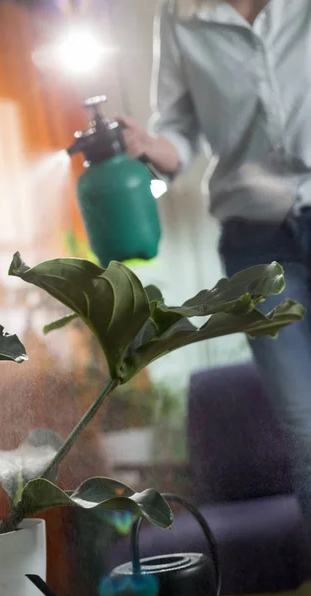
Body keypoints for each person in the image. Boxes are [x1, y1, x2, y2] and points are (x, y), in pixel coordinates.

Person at [121, 0, 311, 544]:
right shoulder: (180, 15)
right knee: (305, 427)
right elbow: (179, 131)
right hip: (255, 240)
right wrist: (154, 146)